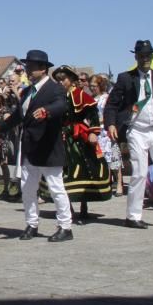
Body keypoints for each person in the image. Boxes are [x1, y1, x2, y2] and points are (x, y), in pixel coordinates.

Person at [104, 40, 153, 230]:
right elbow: (112, 105)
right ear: (136, 57)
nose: (145, 59)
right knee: (139, 173)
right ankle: (133, 216)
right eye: (142, 55)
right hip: (136, 130)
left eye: (148, 55)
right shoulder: (125, 78)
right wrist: (111, 124)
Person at [2, 50, 73, 242]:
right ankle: (31, 224)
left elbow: (61, 106)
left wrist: (47, 111)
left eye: (31, 67)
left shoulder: (55, 88)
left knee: (56, 188)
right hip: (30, 148)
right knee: (28, 188)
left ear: (43, 69)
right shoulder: (26, 92)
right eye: (27, 67)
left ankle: (65, 227)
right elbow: (19, 116)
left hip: (48, 146)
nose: (28, 71)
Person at [48, 65, 111, 224]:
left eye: (64, 79)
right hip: (60, 136)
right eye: (59, 79)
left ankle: (84, 205)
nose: (61, 82)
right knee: (61, 173)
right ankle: (67, 207)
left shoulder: (80, 94)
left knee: (84, 169)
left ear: (71, 80)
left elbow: (93, 113)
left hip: (77, 136)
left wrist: (93, 132)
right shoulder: (56, 95)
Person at [92, 75, 123, 197]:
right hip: (96, 132)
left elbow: (110, 113)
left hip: (106, 131)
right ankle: (106, 184)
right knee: (102, 159)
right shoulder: (92, 99)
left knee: (113, 158)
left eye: (94, 86)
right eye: (91, 86)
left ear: (100, 86)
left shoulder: (106, 98)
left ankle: (119, 183)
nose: (92, 88)